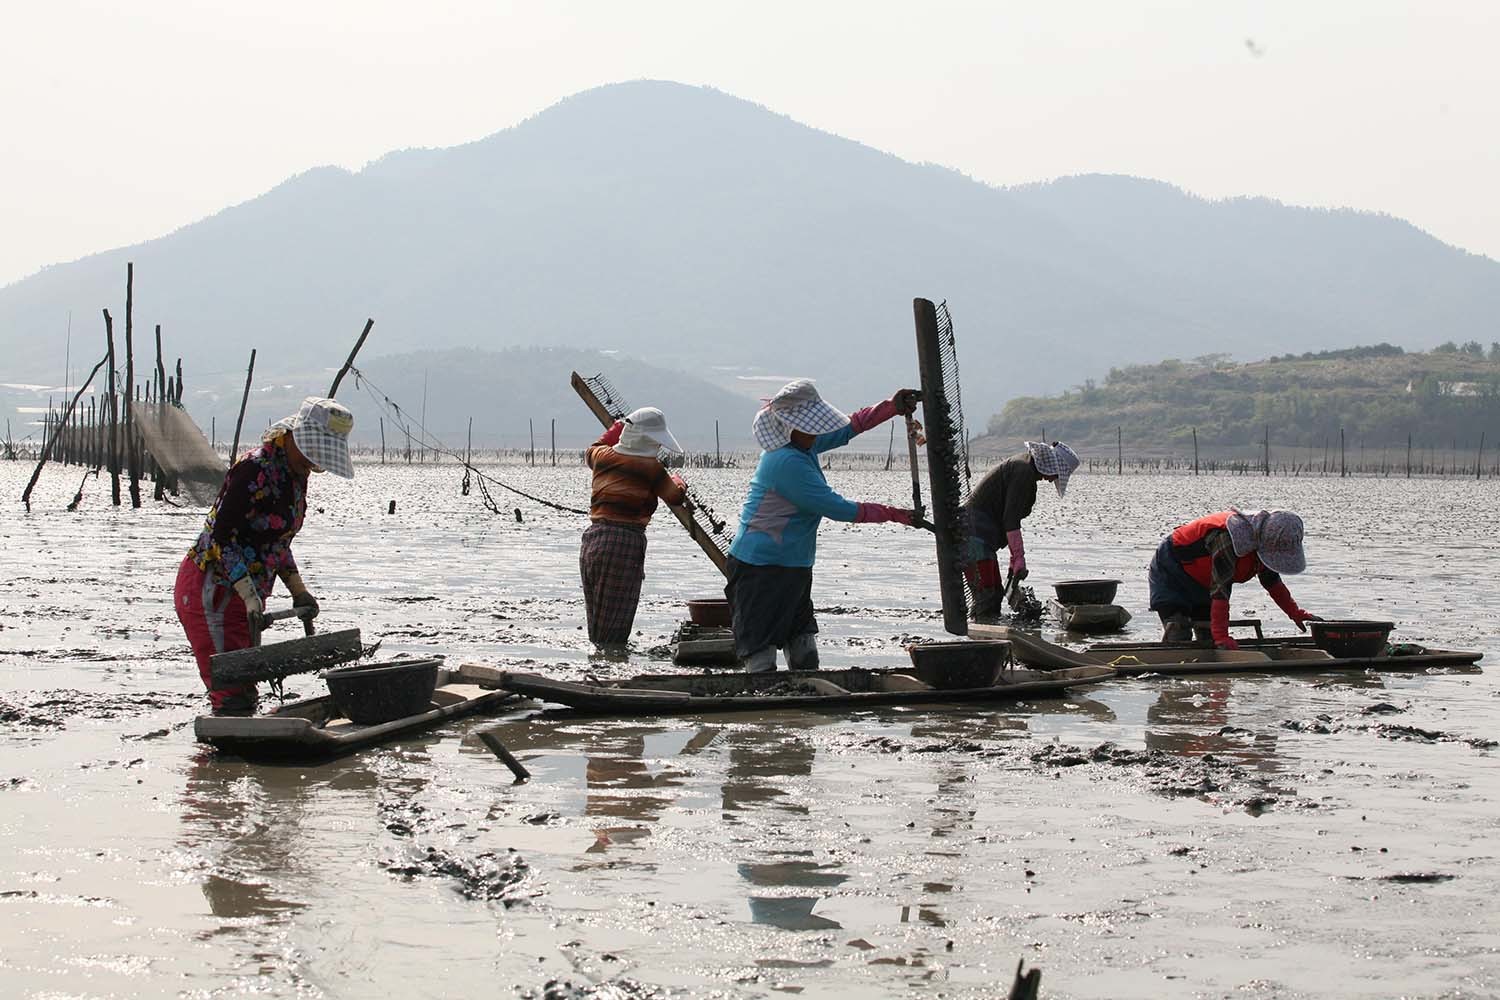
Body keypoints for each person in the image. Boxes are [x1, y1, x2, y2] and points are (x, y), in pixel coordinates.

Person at [726, 379, 921, 673]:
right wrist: (894, 514)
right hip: (760, 567)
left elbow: (849, 428)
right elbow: (837, 508)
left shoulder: (803, 446)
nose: (818, 432)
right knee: (760, 654)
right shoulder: (784, 463)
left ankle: (806, 702)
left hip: (794, 564)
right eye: (811, 426)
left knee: (803, 646)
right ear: (790, 427)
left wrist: (890, 408)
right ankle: (764, 711)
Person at [175, 397, 355, 715]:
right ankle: (219, 761)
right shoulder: (254, 470)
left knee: (245, 688)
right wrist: (247, 592)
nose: (315, 464)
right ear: (292, 436)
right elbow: (221, 538)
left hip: (248, 597)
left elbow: (277, 543)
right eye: (312, 454)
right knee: (232, 696)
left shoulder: (295, 476)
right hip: (212, 589)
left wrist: (298, 591)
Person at [580, 407, 688, 646]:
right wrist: (679, 482)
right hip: (624, 542)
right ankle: (611, 666)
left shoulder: (602, 457)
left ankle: (597, 661)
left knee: (597, 611)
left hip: (593, 539)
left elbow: (592, 448)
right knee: (618, 613)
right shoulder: (651, 469)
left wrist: (614, 429)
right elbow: (674, 497)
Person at [1147, 508, 1319, 649]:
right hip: (1172, 569)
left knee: (1207, 634)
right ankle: (1173, 680)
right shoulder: (1228, 540)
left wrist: (1295, 613)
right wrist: (1222, 636)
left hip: (1204, 579)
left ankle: (1208, 680)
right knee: (1179, 629)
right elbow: (1221, 589)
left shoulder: (1263, 546)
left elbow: (1272, 582)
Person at [962, 440, 1080, 618]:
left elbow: (1009, 517)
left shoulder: (1024, 468)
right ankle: (980, 637)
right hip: (973, 537)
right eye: (1056, 475)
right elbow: (1010, 520)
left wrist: (1013, 560)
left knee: (994, 594)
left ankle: (983, 632)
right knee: (986, 596)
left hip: (979, 537)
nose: (1052, 480)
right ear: (1052, 466)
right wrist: (1018, 557)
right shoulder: (1023, 472)